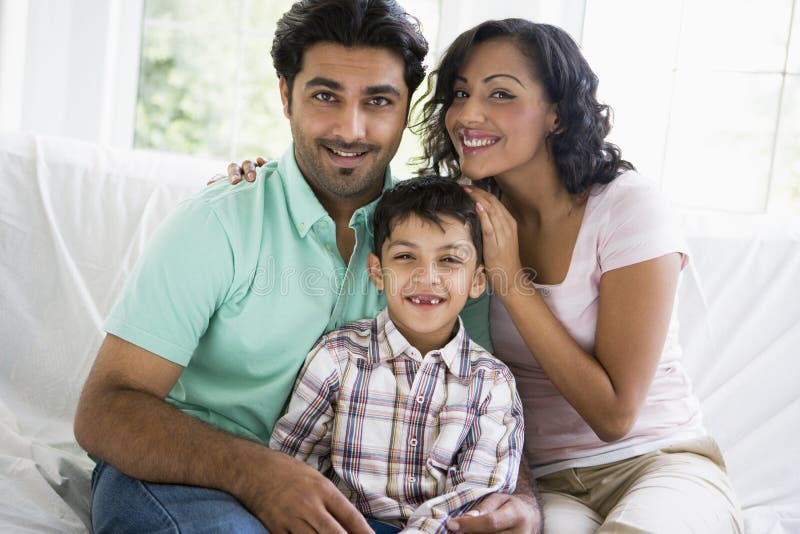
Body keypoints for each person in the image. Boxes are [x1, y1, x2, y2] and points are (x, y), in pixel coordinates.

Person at [73, 1, 540, 533]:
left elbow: (481, 389)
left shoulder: (440, 243)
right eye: (325, 96)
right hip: (180, 476)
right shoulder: (218, 224)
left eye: (378, 101)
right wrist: (259, 474)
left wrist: (519, 497)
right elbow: (105, 408)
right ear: (284, 95)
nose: (351, 128)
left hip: (350, 500)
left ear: (406, 106)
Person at [413, 18, 744, 533]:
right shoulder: (463, 215)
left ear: (557, 115)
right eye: (460, 92)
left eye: (501, 93)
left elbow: (614, 417)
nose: (468, 114)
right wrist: (246, 174)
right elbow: (375, 211)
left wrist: (511, 282)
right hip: (542, 483)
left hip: (657, 461)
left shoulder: (627, 208)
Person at [271, 176, 525, 533]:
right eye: (406, 256)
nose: (427, 276)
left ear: (477, 281)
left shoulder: (492, 383)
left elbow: (477, 494)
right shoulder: (337, 359)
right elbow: (292, 466)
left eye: (450, 259)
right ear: (377, 271)